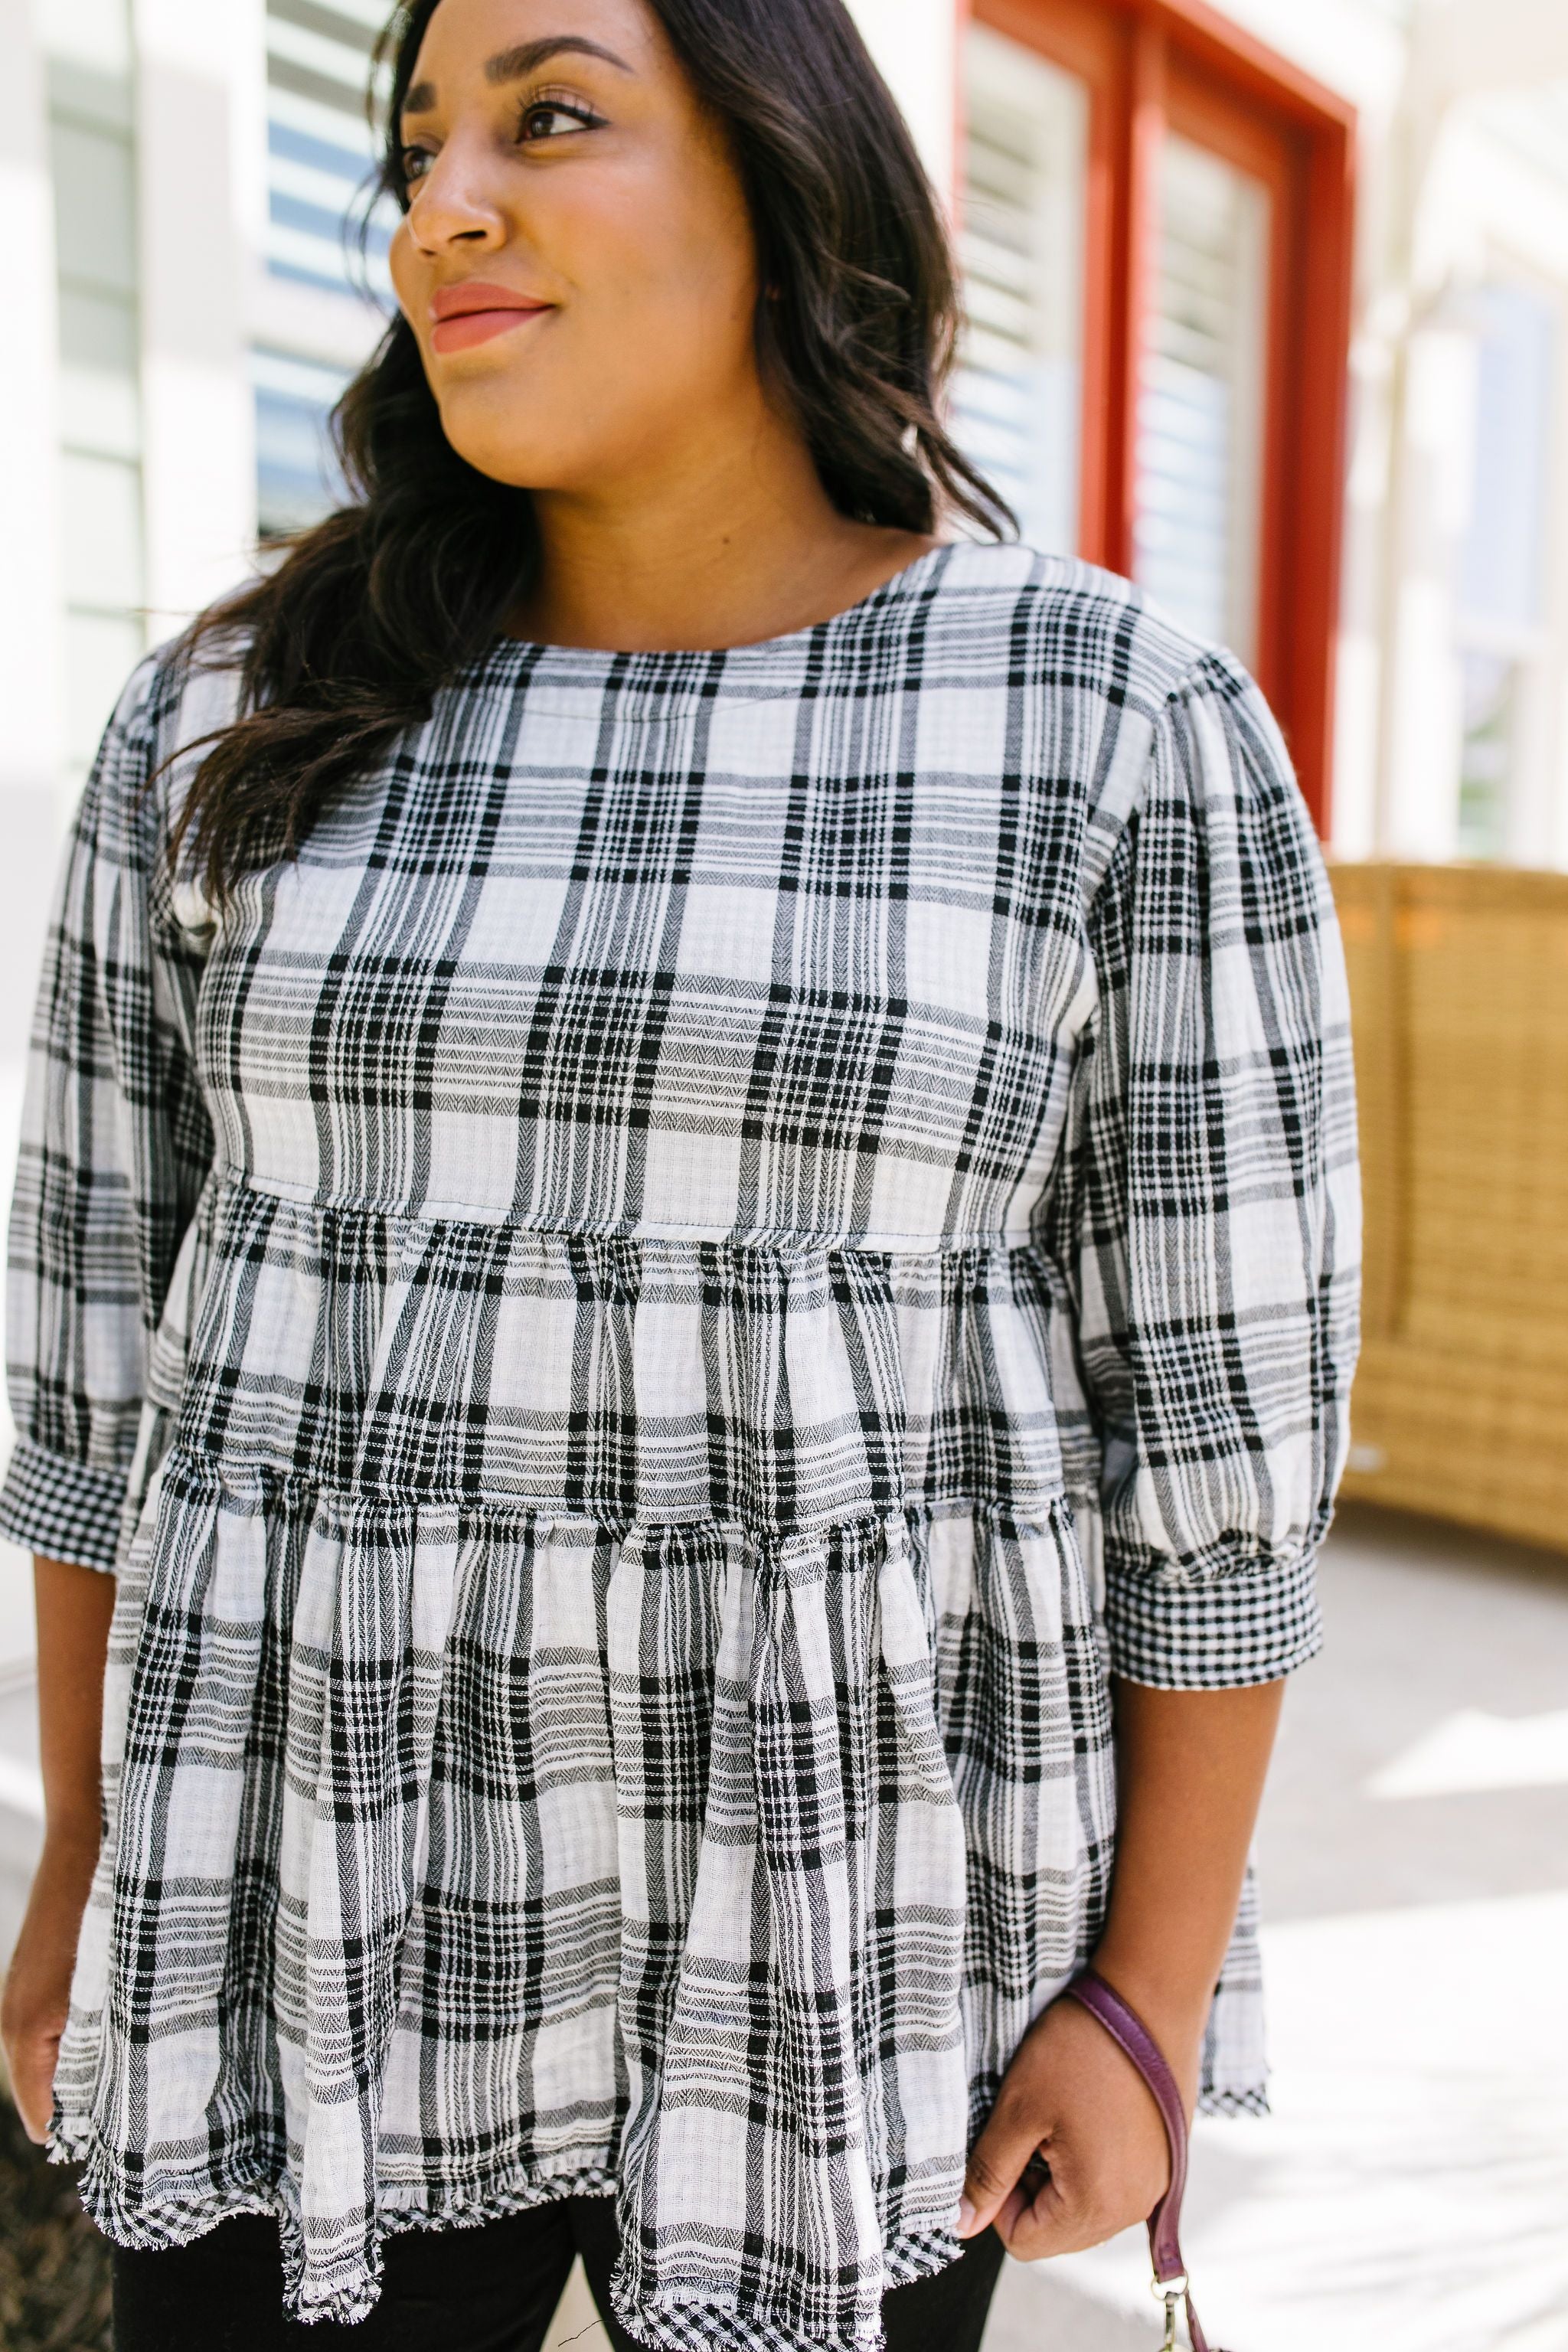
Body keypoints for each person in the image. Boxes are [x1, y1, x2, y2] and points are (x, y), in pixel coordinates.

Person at [0, 0, 1361, 2347]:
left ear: (783, 180)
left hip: (845, 1925)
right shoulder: (226, 723)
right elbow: (93, 1366)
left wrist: (1141, 1996)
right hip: (298, 1893)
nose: (446, 206)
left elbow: (1220, 1451)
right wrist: (83, 1866)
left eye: (549, 117)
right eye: (418, 143)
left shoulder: (1110, 724)